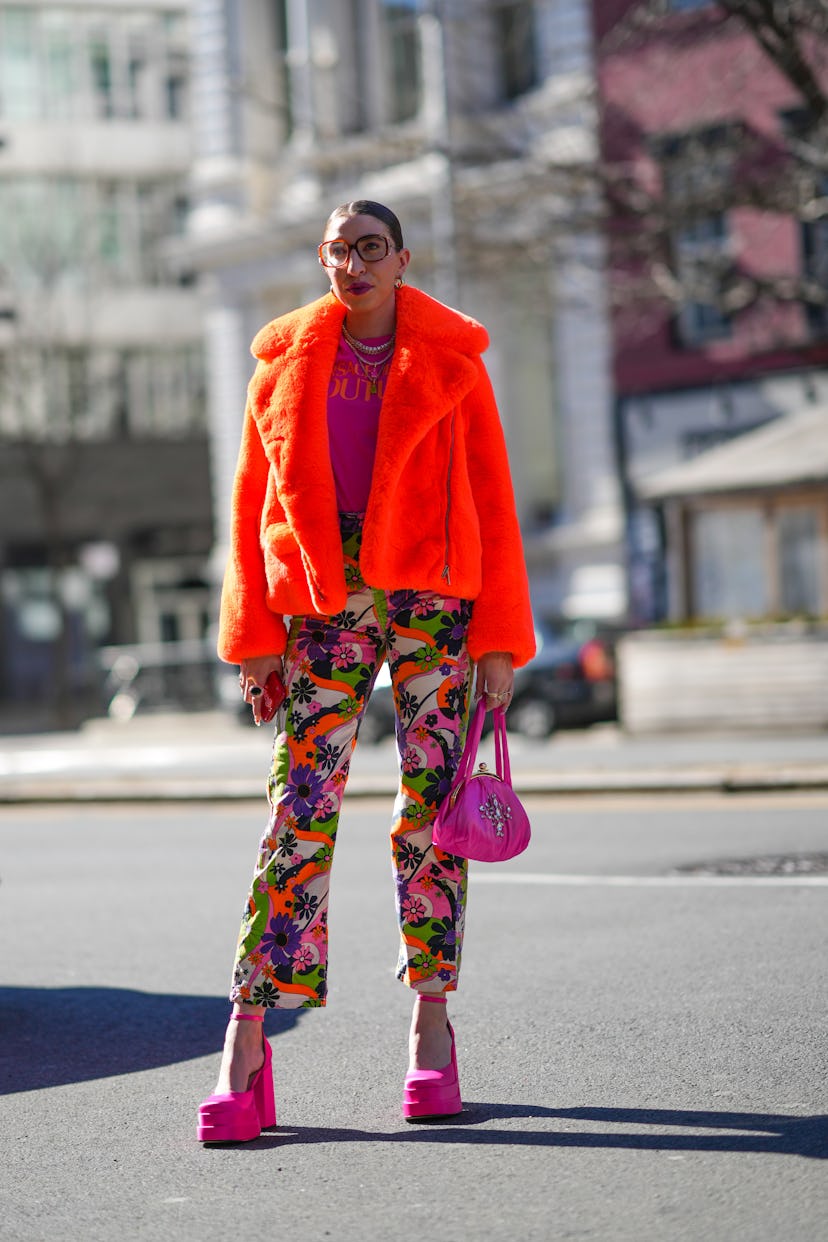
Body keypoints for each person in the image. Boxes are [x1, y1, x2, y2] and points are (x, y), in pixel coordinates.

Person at [197, 199, 536, 1143]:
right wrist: (253, 633)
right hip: (322, 601)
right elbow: (250, 506)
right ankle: (247, 1041)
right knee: (297, 810)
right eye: (339, 249)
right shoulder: (282, 368)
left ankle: (432, 1025)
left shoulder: (455, 365)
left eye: (371, 248)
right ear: (323, 260)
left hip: (435, 599)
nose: (354, 263)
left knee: (430, 814)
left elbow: (492, 500)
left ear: (401, 260)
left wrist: (500, 637)